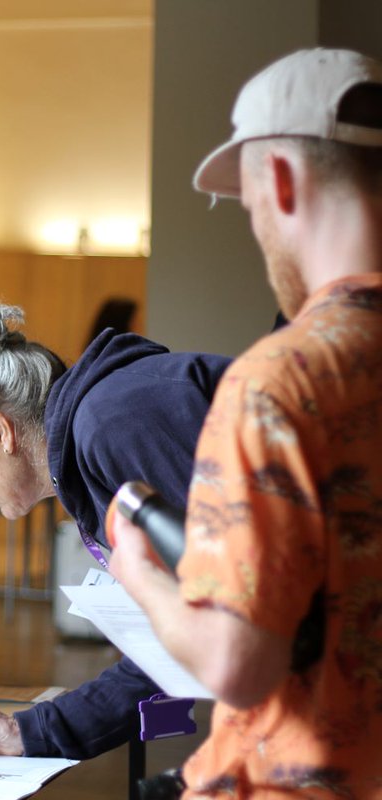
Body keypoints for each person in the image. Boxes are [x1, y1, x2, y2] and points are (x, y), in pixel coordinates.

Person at [109, 48, 382, 798]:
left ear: (283, 183)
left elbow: (239, 662)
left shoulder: (278, 380)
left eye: (249, 205)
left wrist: (140, 574)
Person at [0, 301, 230, 759]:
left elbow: (234, 597)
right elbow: (168, 642)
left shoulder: (113, 424)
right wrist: (28, 733)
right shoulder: (96, 442)